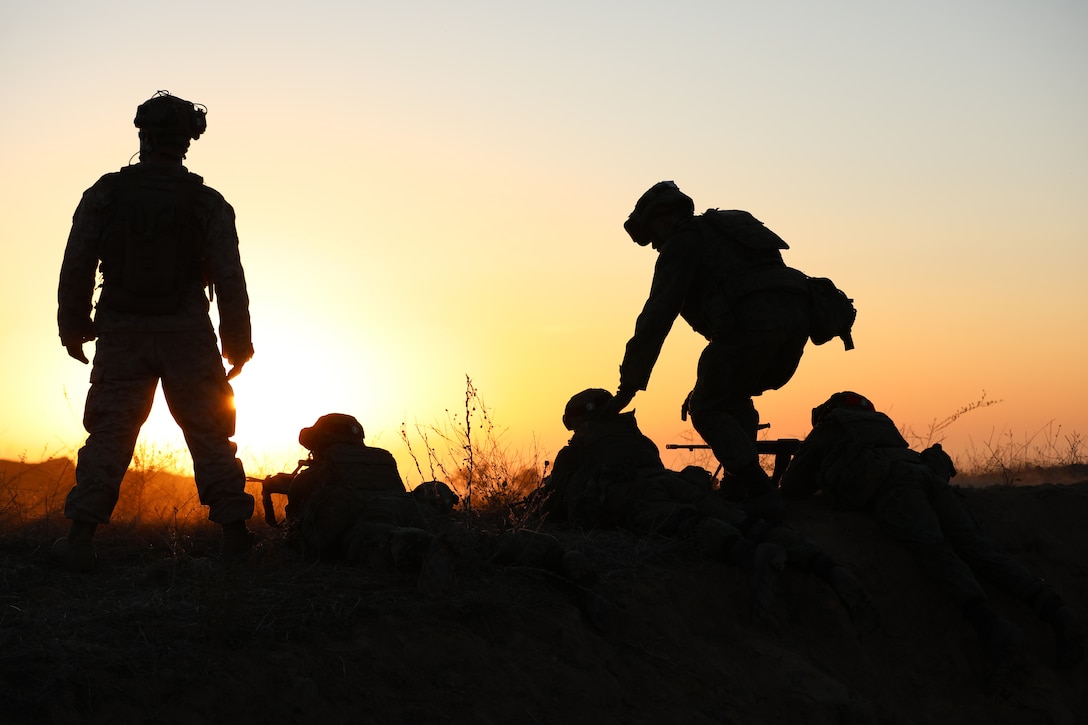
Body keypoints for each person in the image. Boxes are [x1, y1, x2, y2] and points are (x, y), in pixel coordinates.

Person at [55, 91, 256, 571]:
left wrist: (73, 325)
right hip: (187, 332)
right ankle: (236, 537)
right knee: (209, 432)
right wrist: (237, 343)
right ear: (188, 141)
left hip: (122, 331)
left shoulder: (105, 192)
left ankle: (80, 540)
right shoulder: (208, 203)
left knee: (109, 433)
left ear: (142, 135)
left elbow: (78, 261)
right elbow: (229, 275)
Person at [779, 391, 1084, 686]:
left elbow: (792, 489)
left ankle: (991, 627)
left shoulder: (829, 427)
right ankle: (1058, 613)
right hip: (925, 476)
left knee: (937, 553)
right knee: (980, 549)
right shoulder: (882, 424)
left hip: (897, 490)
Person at [540, 388, 878, 629]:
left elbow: (553, 504)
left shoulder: (578, 449)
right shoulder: (637, 437)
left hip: (637, 497)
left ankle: (751, 556)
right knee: (744, 520)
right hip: (673, 481)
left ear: (579, 422)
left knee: (689, 524)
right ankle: (828, 567)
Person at [603, 181, 829, 520]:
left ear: (663, 218)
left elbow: (656, 316)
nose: (655, 246)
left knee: (706, 405)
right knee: (730, 396)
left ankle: (762, 491)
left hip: (753, 325)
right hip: (798, 322)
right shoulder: (729, 228)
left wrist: (629, 385)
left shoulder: (683, 243)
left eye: (652, 235)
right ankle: (741, 486)